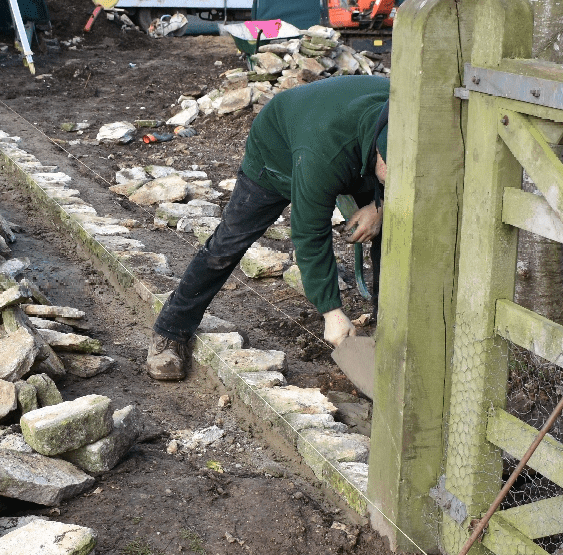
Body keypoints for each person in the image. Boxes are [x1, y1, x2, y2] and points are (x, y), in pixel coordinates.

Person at [146, 75, 390, 381]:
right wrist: (331, 312)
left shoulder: (404, 118)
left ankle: (388, 336)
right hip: (277, 152)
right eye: (390, 173)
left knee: (394, 228)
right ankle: (170, 331)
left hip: (340, 144)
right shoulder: (324, 154)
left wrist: (379, 207)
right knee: (228, 243)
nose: (395, 179)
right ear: (379, 153)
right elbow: (309, 232)